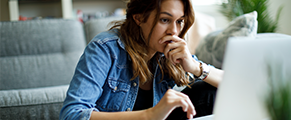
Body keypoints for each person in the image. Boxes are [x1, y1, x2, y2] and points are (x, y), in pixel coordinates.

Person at [59, 0, 224, 120]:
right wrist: (150, 115)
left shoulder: (169, 52)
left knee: (210, 91)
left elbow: (237, 85)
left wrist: (196, 67)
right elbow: (72, 114)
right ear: (138, 18)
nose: (174, 31)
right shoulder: (105, 48)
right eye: (164, 20)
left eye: (179, 21)